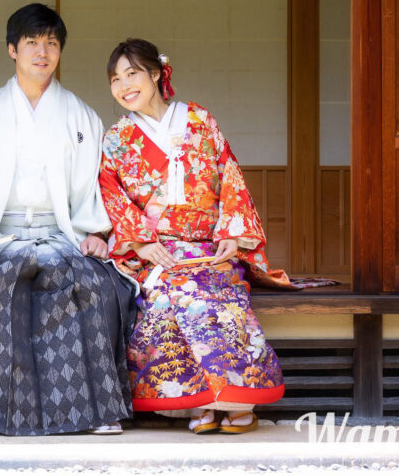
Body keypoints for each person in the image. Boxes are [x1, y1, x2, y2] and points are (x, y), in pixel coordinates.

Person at [0, 3, 136, 437]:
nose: (43, 52)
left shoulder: (81, 116)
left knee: (95, 286)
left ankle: (93, 411)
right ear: (12, 50)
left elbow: (103, 181)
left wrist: (96, 231)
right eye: (33, 42)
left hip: (63, 233)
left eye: (52, 43)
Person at [97, 38, 292, 435]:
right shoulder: (117, 137)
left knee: (218, 290)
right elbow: (110, 191)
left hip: (209, 244)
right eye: (115, 79)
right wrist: (140, 242)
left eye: (132, 73)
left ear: (155, 73)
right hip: (156, 252)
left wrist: (232, 234)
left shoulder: (199, 119)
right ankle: (196, 403)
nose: (123, 85)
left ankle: (231, 398)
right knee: (170, 295)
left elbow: (229, 174)